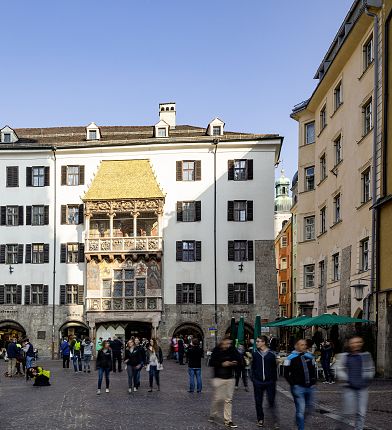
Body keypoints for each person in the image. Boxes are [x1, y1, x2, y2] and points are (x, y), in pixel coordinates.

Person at [335, 336, 375, 430]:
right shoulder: (344, 356)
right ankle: (341, 427)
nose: (356, 344)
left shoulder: (366, 355)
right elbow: (339, 369)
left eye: (358, 342)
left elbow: (371, 368)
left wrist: (368, 378)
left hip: (362, 388)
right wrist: (346, 379)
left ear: (361, 343)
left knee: (361, 413)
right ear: (349, 344)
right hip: (349, 388)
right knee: (347, 412)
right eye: (353, 342)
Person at [284, 339, 316, 430]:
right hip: (298, 388)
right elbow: (286, 373)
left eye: (305, 345)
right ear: (296, 346)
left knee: (309, 408)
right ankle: (301, 427)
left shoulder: (309, 357)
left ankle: (299, 419)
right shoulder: (290, 358)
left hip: (310, 387)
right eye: (301, 345)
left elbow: (313, 370)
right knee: (301, 410)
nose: (304, 346)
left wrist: (313, 381)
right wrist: (293, 384)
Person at [208, 337, 241, 429]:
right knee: (218, 399)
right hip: (218, 378)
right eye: (227, 343)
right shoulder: (217, 350)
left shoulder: (232, 350)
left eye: (230, 343)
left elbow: (239, 359)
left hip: (230, 378)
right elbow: (212, 362)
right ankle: (213, 414)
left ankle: (228, 421)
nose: (228, 345)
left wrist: (234, 362)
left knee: (228, 400)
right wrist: (222, 364)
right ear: (223, 342)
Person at [251, 336, 279, 428]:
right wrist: (254, 379)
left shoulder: (271, 354)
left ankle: (274, 420)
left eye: (258, 341)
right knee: (258, 401)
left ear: (264, 342)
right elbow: (253, 367)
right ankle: (260, 419)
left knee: (271, 401)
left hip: (270, 382)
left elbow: (274, 368)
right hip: (258, 382)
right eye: (257, 341)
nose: (257, 343)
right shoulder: (255, 354)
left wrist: (273, 380)